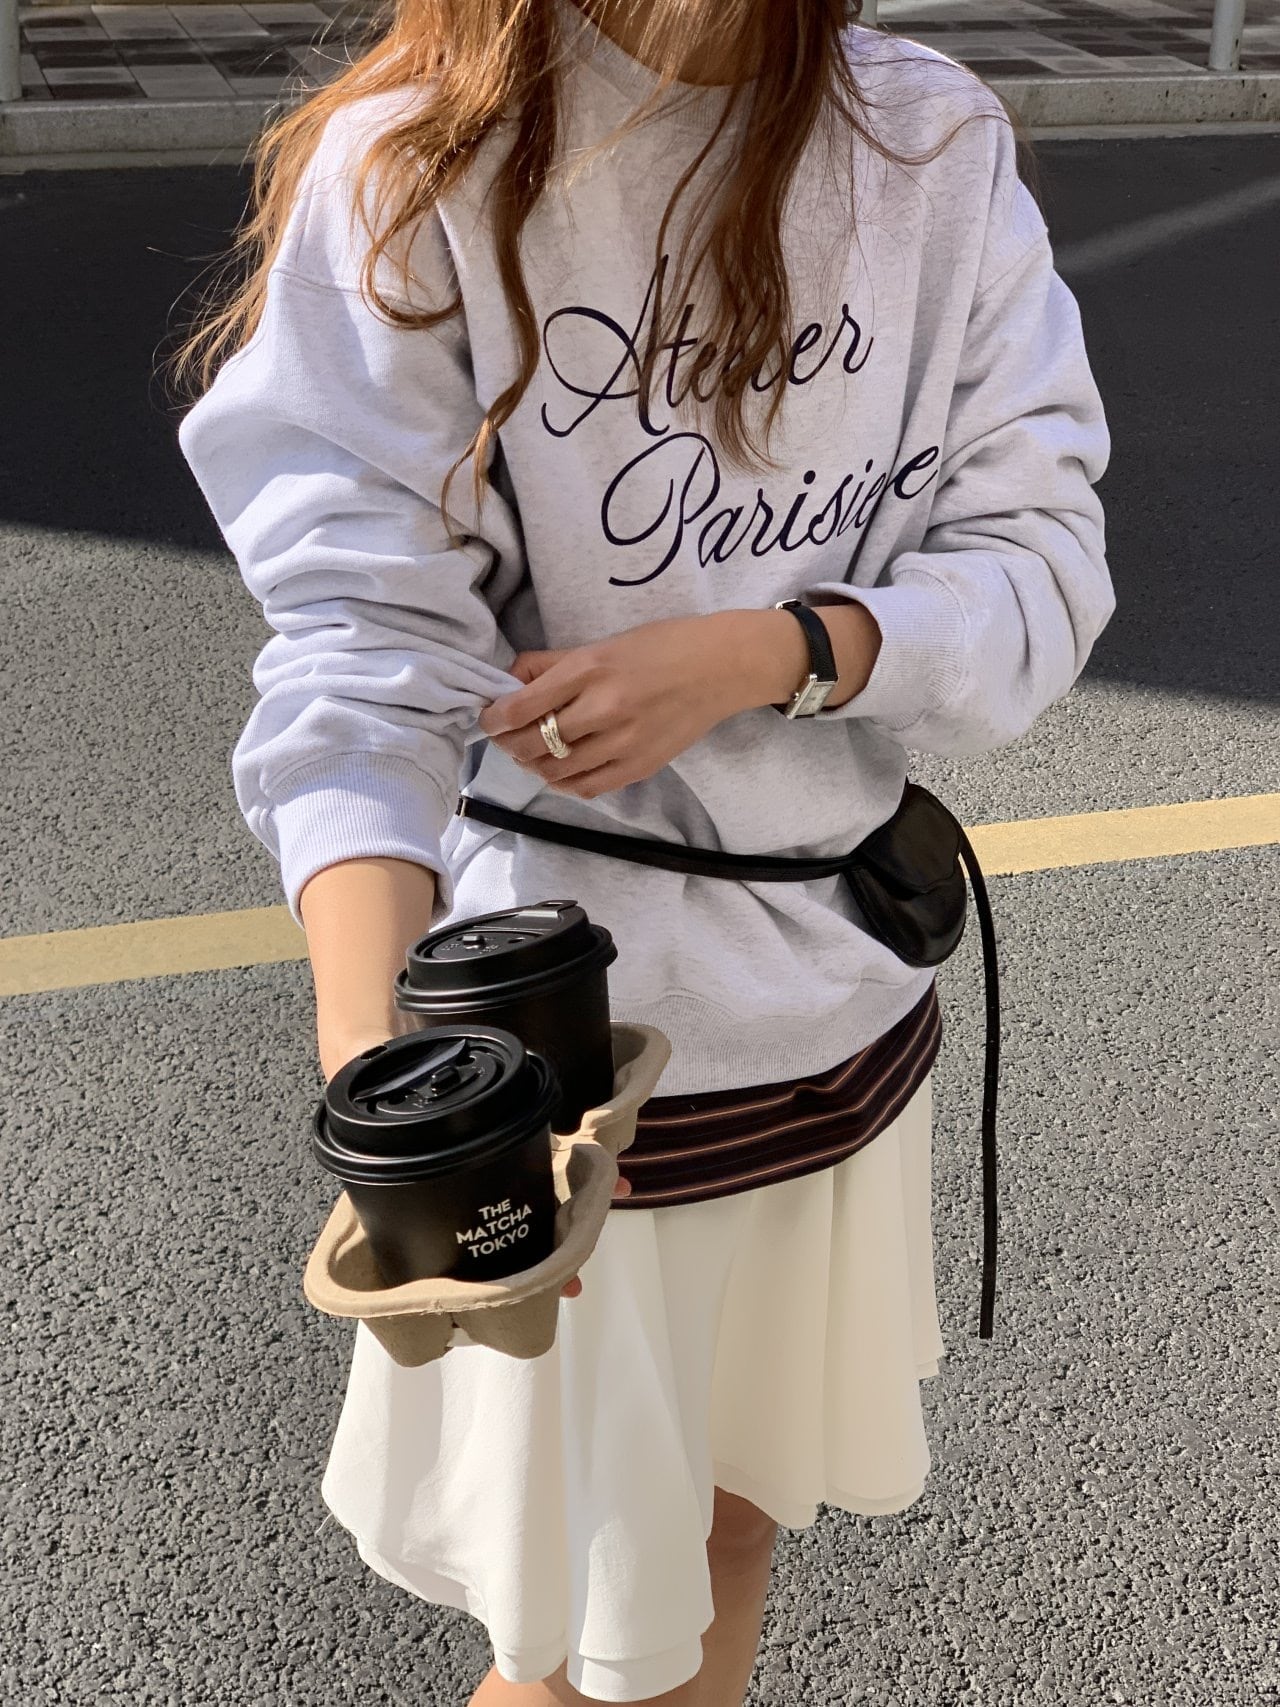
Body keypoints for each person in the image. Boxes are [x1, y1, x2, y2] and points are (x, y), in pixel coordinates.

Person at [171, 0, 1114, 1699]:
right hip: (574, 1077)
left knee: (728, 1541)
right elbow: (359, 655)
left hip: (839, 1028)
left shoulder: (928, 138)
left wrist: (776, 650)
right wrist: (381, 1081)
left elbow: (1043, 558)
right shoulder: (421, 159)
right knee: (585, 1635)